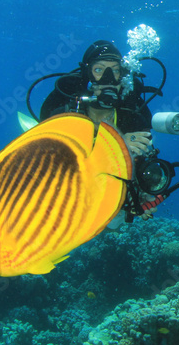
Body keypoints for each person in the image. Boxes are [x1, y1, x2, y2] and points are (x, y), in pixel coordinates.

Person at [38, 40, 163, 218]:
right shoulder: (67, 114)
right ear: (87, 76)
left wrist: (142, 192)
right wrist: (118, 145)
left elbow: (142, 165)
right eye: (99, 70)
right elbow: (59, 166)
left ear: (123, 78)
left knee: (115, 223)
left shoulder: (132, 117)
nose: (108, 79)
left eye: (116, 70)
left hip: (101, 192)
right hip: (67, 192)